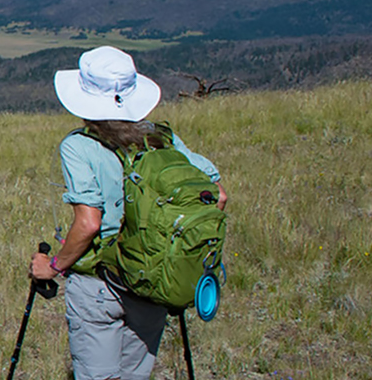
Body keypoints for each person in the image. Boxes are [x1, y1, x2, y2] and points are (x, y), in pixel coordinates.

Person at [28, 46, 226, 380]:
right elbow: (217, 196)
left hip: (99, 284)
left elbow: (89, 223)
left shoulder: (78, 146)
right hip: (151, 279)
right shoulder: (163, 139)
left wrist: (53, 267)